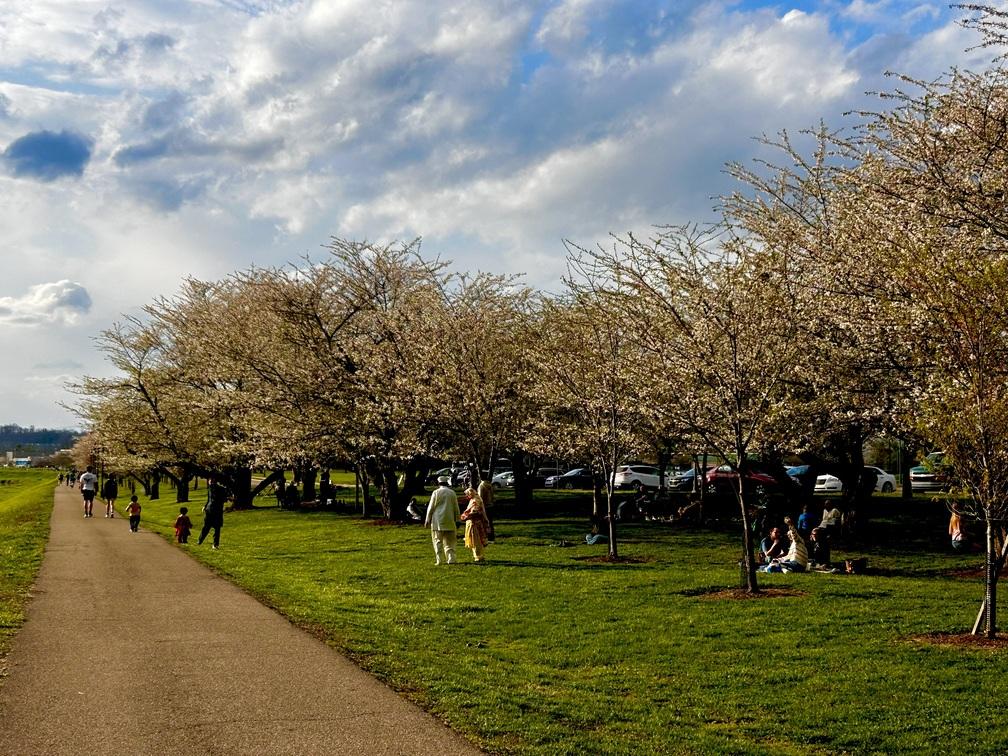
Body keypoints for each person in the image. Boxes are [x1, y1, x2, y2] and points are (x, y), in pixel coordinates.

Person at [424, 476, 460, 565]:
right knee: (450, 541)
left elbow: (431, 507)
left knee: (437, 540)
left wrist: (427, 519)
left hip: (438, 520)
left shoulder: (436, 492)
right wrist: (458, 519)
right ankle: (451, 559)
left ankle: (439, 560)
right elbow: (456, 507)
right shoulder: (452, 493)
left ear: (438, 483)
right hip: (450, 519)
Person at [460, 487, 491, 562]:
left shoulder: (475, 500)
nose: (466, 497)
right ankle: (478, 555)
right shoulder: (475, 499)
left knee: (475, 540)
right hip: (474, 522)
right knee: (476, 539)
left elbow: (475, 512)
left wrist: (464, 516)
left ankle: (478, 556)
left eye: (467, 495)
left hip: (474, 523)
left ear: (470, 493)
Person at [198, 477, 227, 550]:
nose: (210, 482)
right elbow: (209, 499)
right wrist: (205, 506)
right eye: (209, 481)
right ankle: (201, 540)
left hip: (216, 511)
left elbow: (223, 499)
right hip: (210, 510)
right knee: (208, 527)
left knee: (215, 528)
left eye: (211, 481)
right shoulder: (210, 488)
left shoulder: (220, 489)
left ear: (214, 481)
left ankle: (215, 544)